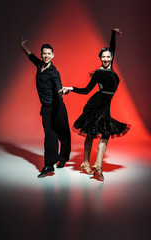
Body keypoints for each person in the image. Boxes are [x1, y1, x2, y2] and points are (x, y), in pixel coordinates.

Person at [59, 28, 131, 180]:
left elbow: (112, 48)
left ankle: (95, 165)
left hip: (105, 107)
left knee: (103, 134)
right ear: (100, 58)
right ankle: (87, 164)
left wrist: (112, 33)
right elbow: (86, 90)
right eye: (103, 57)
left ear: (111, 58)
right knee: (93, 133)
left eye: (108, 57)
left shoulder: (111, 66)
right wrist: (70, 88)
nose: (106, 59)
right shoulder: (99, 73)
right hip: (96, 105)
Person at [19, 38, 71, 177]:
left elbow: (58, 85)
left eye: (49, 53)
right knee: (50, 135)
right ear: (41, 55)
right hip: (47, 108)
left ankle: (63, 159)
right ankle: (49, 165)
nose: (46, 56)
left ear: (53, 55)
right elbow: (30, 56)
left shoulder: (54, 72)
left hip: (58, 107)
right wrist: (22, 46)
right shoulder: (39, 65)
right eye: (44, 53)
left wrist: (61, 91)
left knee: (64, 135)